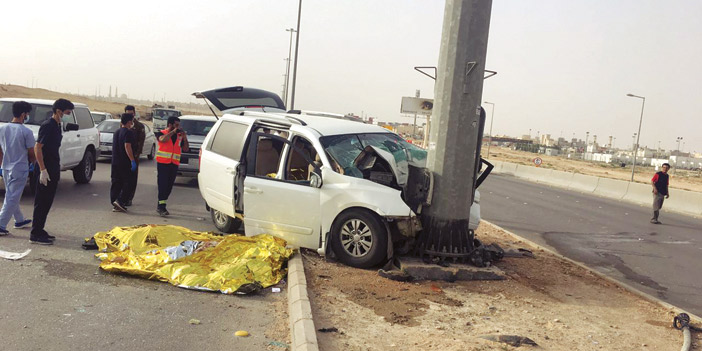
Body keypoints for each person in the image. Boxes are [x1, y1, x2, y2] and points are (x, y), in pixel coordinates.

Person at [31, 98, 73, 244]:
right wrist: (42, 169)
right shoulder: (48, 125)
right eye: (67, 112)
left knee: (47, 201)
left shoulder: (57, 125)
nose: (68, 115)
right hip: (46, 169)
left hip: (53, 167)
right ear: (58, 111)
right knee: (41, 201)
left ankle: (40, 229)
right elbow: (38, 147)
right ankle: (35, 233)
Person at [0, 101, 36, 235]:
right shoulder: (26, 132)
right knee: (12, 197)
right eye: (27, 114)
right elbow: (31, 153)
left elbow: (0, 151)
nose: (27, 116)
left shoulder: (2, 129)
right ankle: (1, 224)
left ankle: (19, 219)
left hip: (6, 167)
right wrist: (35, 165)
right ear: (23, 114)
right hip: (19, 168)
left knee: (11, 195)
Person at [155, 116, 188, 216]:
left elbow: (185, 149)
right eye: (176, 125)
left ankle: (161, 204)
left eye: (179, 125)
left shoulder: (179, 136)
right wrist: (173, 132)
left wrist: (185, 138)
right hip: (163, 163)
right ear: (170, 124)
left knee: (169, 186)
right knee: (162, 185)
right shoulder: (162, 133)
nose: (178, 127)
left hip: (174, 164)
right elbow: (163, 140)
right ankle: (161, 207)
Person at [110, 113, 137, 212]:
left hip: (115, 162)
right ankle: (120, 201)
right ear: (129, 122)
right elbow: (127, 146)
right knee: (129, 183)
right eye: (132, 121)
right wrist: (132, 160)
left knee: (116, 182)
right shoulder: (128, 132)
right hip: (124, 162)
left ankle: (115, 203)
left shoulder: (117, 132)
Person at [122, 105, 145, 206]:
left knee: (132, 179)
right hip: (124, 156)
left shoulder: (139, 126)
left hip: (134, 156)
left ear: (134, 113)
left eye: (131, 113)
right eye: (127, 113)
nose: (130, 115)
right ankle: (122, 197)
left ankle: (129, 198)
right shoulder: (122, 124)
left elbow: (140, 143)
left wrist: (135, 157)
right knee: (122, 178)